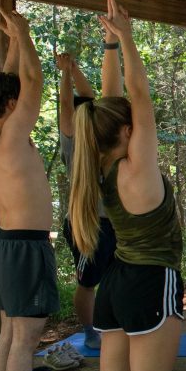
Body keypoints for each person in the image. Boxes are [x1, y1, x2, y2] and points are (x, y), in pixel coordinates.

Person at [70, 0, 186, 371]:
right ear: (127, 133)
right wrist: (125, 37)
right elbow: (137, 97)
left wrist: (109, 42)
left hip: (115, 286)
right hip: (150, 282)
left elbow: (114, 100)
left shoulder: (97, 163)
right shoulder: (136, 168)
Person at [0, 8, 69, 371]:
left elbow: (7, 81)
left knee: (9, 330)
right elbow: (33, 84)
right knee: (26, 336)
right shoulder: (11, 132)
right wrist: (23, 33)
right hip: (24, 247)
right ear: (10, 104)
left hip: (8, 243)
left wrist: (14, 44)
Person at [58, 32, 123, 350]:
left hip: (112, 222)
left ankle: (111, 325)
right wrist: (64, 77)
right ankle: (89, 331)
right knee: (87, 282)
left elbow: (88, 96)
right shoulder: (73, 142)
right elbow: (67, 107)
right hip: (85, 223)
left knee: (113, 278)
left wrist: (72, 69)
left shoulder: (101, 137)